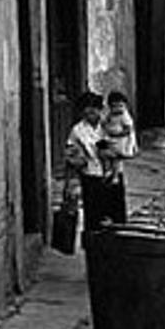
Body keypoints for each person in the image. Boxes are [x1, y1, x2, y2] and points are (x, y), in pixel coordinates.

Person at [64, 91, 115, 234]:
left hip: (109, 173)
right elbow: (70, 153)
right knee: (92, 211)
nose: (91, 111)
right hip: (89, 174)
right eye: (87, 107)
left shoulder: (106, 127)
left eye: (95, 107)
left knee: (108, 212)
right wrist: (78, 159)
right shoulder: (78, 130)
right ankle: (92, 242)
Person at [99, 90, 137, 185]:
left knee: (116, 159)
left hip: (120, 141)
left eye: (120, 106)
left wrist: (119, 133)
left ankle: (115, 175)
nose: (117, 109)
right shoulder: (110, 114)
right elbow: (105, 121)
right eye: (114, 106)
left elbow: (128, 129)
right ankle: (108, 170)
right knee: (105, 154)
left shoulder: (124, 116)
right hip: (111, 138)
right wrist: (104, 124)